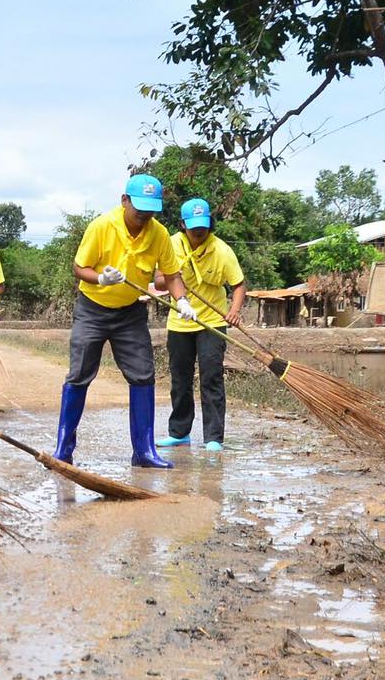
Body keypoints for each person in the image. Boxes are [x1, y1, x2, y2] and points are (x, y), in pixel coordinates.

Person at [55, 174, 192, 469]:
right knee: (79, 375)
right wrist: (101, 278)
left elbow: (171, 275)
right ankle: (63, 451)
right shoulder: (102, 226)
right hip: (92, 309)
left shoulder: (158, 234)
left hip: (130, 313)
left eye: (151, 209)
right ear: (124, 201)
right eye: (139, 207)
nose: (144, 215)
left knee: (143, 375)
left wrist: (181, 300)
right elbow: (79, 267)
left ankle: (143, 452)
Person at [160, 197, 247, 453]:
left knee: (211, 378)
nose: (199, 230)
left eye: (204, 224)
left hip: (211, 322)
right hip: (180, 320)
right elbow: (159, 278)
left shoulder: (222, 250)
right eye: (193, 225)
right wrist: (173, 280)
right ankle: (179, 433)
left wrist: (234, 311)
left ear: (210, 223)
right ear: (182, 224)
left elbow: (239, 285)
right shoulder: (171, 245)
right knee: (180, 379)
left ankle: (213, 438)